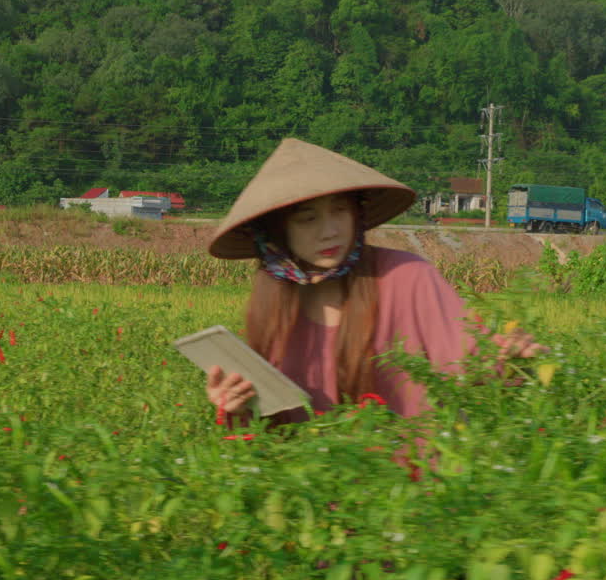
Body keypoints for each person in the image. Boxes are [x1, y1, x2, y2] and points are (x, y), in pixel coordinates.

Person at [203, 138, 543, 426]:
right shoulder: (272, 300)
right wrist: (234, 404)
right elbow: (273, 430)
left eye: (339, 211)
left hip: (411, 490)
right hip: (319, 492)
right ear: (278, 233)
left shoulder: (406, 278)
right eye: (308, 219)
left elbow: (467, 357)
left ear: (357, 213)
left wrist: (510, 358)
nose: (330, 230)